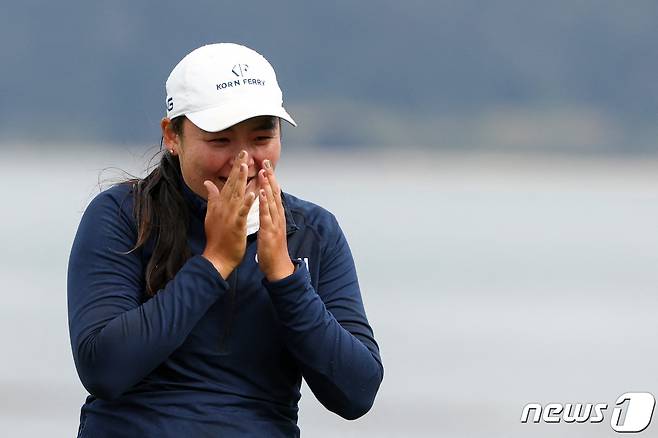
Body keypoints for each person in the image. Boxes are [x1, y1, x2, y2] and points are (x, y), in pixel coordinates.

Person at [67, 43, 383, 437]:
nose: (244, 160)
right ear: (172, 135)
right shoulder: (123, 216)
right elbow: (104, 369)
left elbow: (356, 394)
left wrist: (284, 277)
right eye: (220, 141)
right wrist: (213, 263)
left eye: (262, 137)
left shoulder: (311, 232)